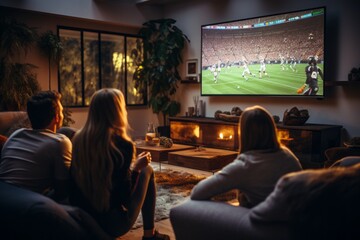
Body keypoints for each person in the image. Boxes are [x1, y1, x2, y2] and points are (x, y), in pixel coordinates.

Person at [69, 88, 170, 240]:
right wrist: (136, 168)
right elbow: (127, 200)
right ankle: (149, 235)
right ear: (118, 111)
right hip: (112, 225)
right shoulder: (122, 145)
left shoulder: (78, 140)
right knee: (147, 169)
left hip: (81, 218)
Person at [191, 105, 302, 208]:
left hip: (263, 223)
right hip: (295, 221)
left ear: (243, 134)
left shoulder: (245, 165)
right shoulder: (289, 156)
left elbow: (197, 192)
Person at [0, 90, 71, 201]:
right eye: (61, 111)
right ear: (57, 117)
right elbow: (62, 191)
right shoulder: (60, 142)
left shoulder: (16, 134)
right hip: (27, 206)